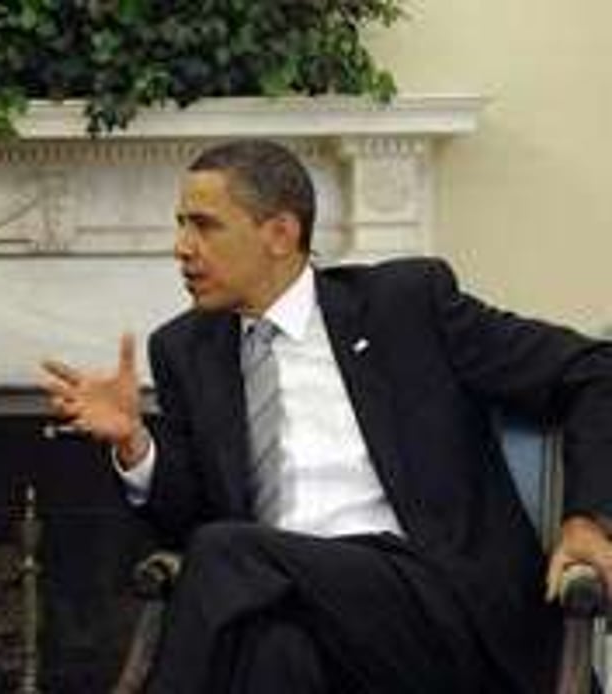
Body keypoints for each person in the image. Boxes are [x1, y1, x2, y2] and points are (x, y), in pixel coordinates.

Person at [40, 139, 612, 693]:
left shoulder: (404, 304)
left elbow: (594, 369)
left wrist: (586, 521)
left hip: (436, 606)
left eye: (204, 225)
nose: (182, 247)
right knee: (273, 651)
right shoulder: (185, 350)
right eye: (181, 224)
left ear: (280, 234)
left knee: (224, 551)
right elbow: (186, 512)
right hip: (294, 606)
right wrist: (136, 444)